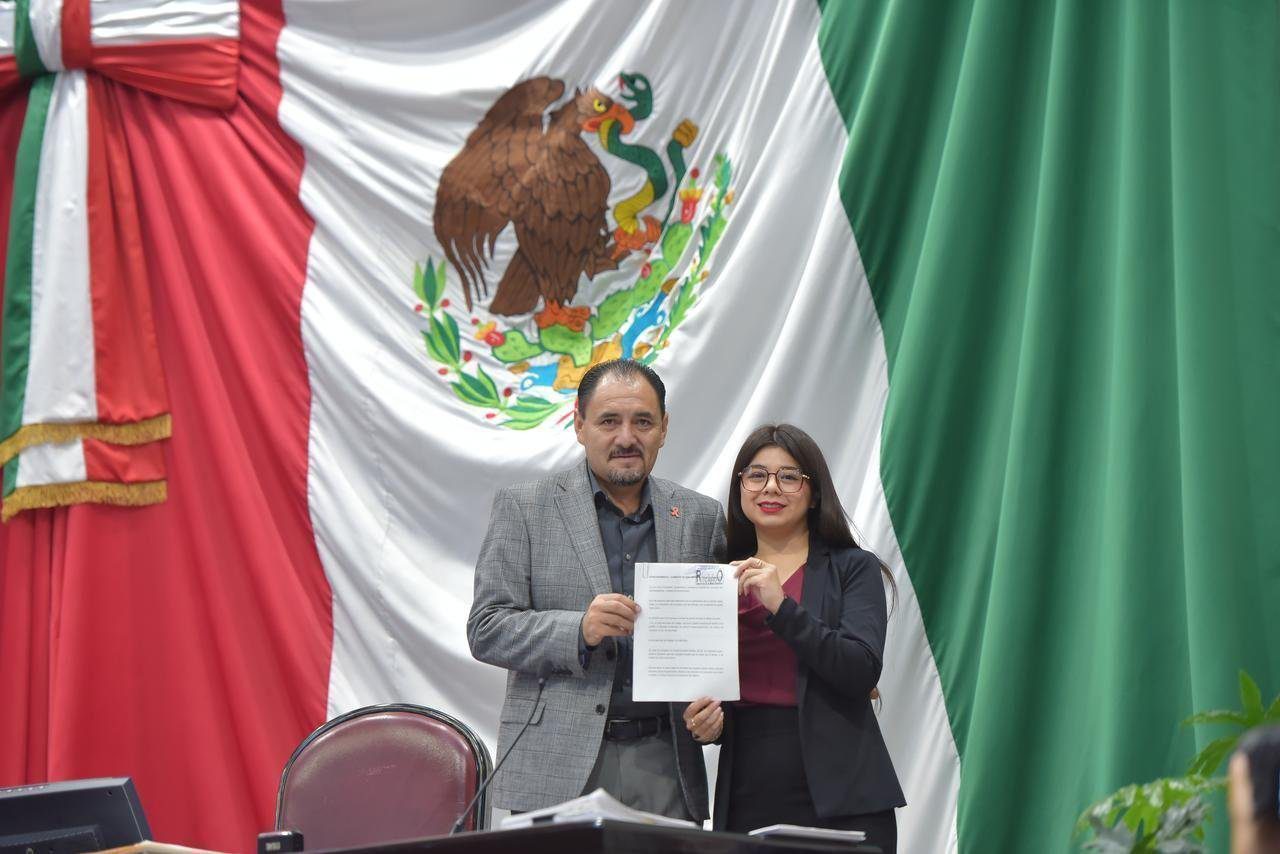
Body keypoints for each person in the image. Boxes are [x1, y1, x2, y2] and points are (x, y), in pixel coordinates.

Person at [467, 359, 726, 821]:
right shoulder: (524, 507)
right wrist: (579, 629)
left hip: (665, 762)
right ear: (579, 425)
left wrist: (717, 709)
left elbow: (719, 642)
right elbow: (486, 629)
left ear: (664, 429)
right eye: (609, 421)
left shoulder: (700, 516)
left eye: (642, 421)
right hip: (554, 762)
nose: (626, 437)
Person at [683, 423, 905, 851]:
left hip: (843, 790)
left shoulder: (853, 567)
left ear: (814, 493)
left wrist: (781, 606)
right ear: (740, 486)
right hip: (748, 784)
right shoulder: (716, 576)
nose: (771, 487)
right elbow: (708, 683)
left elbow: (860, 669)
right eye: (756, 475)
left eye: (788, 477)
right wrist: (708, 723)